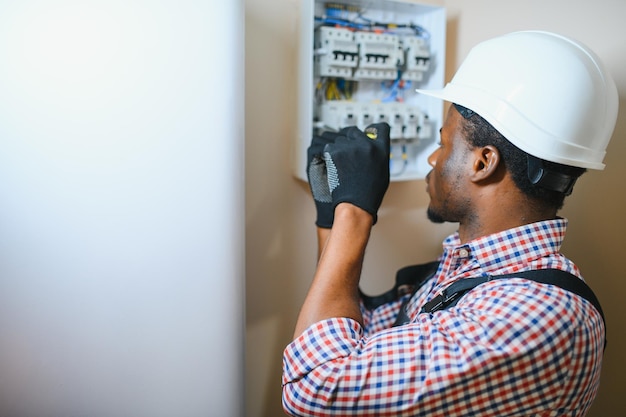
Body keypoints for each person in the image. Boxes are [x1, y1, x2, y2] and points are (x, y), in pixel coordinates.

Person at [282, 31, 618, 417]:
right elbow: (362, 338)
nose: (432, 161)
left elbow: (314, 387)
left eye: (442, 144)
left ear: (482, 163)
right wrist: (331, 215)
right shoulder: (476, 269)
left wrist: (354, 213)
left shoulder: (540, 314)